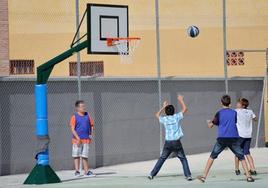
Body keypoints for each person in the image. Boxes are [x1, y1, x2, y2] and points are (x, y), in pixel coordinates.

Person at [197, 95, 254, 183]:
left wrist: (209, 122)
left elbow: (211, 126)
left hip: (222, 139)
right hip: (233, 138)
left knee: (212, 156)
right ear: (230, 103)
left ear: (221, 103)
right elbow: (234, 122)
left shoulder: (219, 113)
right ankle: (248, 176)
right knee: (241, 157)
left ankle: (204, 176)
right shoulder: (234, 113)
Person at [148, 95, 193, 181]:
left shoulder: (164, 119)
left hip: (168, 142)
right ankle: (188, 175)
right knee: (183, 159)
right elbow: (185, 109)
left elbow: (157, 114)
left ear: (165, 112)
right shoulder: (176, 117)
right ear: (174, 111)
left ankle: (152, 174)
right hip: (176, 142)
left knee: (162, 158)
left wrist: (163, 107)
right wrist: (181, 100)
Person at [70, 100, 95, 177]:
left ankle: (86, 172)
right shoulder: (74, 117)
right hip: (76, 140)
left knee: (85, 156)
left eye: (84, 106)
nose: (84, 108)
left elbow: (92, 126)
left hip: (86, 139)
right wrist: (78, 138)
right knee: (76, 156)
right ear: (77, 108)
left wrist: (90, 135)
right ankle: (77, 171)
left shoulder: (88, 115)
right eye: (82, 106)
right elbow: (72, 129)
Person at [234, 98, 257, 176]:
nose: (237, 104)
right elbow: (255, 119)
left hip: (240, 135)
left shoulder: (236, 111)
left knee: (237, 152)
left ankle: (237, 169)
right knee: (247, 152)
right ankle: (253, 169)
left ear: (243, 105)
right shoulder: (250, 111)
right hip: (248, 135)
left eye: (238, 103)